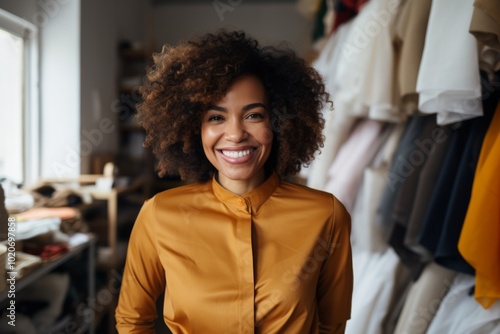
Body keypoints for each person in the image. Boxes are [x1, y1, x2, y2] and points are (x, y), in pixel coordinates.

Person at [115, 29, 353, 334]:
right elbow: (132, 321)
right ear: (193, 128)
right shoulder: (159, 215)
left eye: (254, 115)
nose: (236, 133)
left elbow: (331, 326)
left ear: (279, 123)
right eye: (216, 118)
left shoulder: (326, 215)